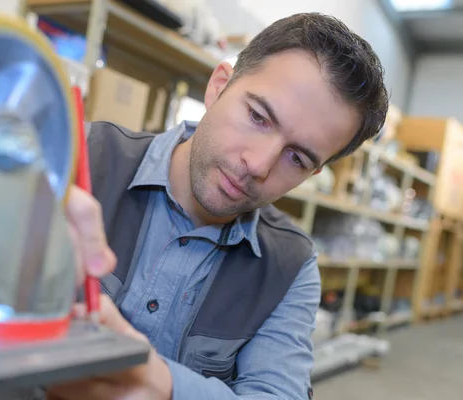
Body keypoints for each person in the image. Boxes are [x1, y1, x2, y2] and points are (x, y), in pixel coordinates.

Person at [53, 12, 389, 400]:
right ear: (218, 87)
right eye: (258, 117)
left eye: (296, 158)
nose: (259, 165)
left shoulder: (290, 267)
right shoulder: (79, 156)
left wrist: (162, 385)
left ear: (312, 174)